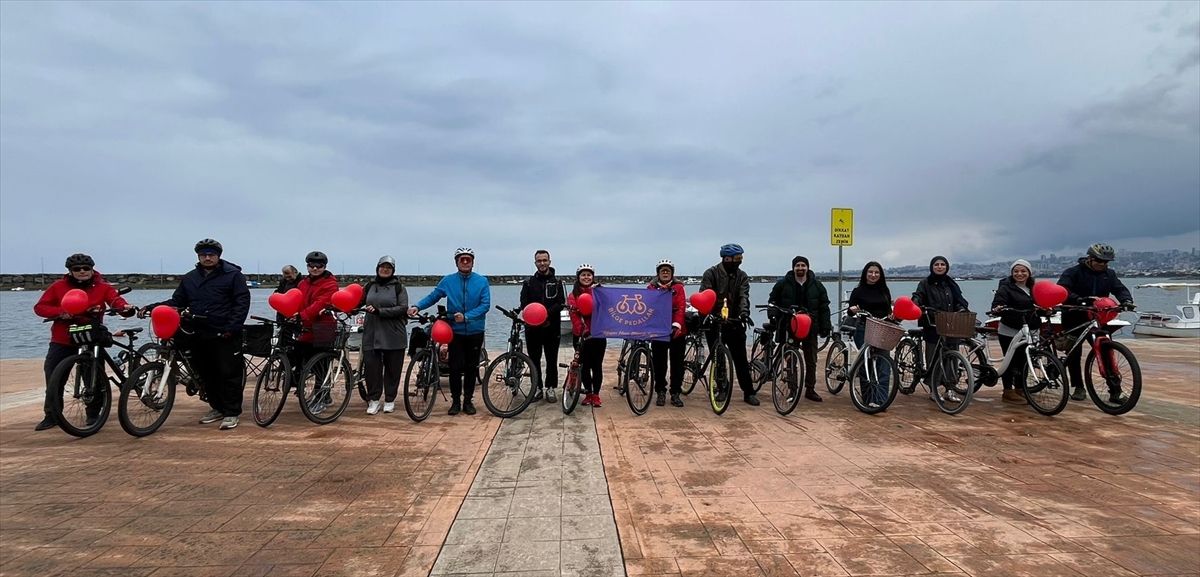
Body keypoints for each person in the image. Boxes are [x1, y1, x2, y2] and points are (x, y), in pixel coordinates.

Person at [149, 239, 251, 430]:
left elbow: (242, 303)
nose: (207, 257)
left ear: (218, 256)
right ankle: (217, 407)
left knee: (228, 373)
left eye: (211, 254)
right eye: (203, 254)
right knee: (206, 374)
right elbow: (177, 300)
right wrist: (154, 307)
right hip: (198, 332)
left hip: (224, 332)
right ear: (198, 256)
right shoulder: (190, 278)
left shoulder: (233, 275)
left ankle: (231, 412)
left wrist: (232, 327)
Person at [32, 254, 135, 431]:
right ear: (70, 272)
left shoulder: (102, 287)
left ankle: (94, 413)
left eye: (86, 268)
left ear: (92, 269)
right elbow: (40, 307)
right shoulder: (58, 286)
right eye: (77, 269)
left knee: (93, 377)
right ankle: (52, 415)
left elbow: (115, 301)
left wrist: (125, 309)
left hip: (91, 337)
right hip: (63, 339)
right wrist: (61, 312)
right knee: (53, 375)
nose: (82, 272)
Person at [409, 248, 490, 416]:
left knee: (470, 368)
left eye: (468, 259)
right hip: (456, 332)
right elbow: (433, 296)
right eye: (462, 259)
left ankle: (468, 401)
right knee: (454, 367)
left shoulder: (482, 281)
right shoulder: (448, 281)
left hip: (475, 331)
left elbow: (485, 305)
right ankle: (455, 401)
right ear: (457, 262)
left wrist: (467, 317)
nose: (465, 262)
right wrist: (417, 306)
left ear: (473, 262)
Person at [1056, 243, 1134, 402]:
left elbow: (1119, 289)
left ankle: (1115, 391)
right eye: (1099, 261)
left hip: (1097, 317)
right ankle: (1078, 387)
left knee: (1105, 350)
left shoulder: (1109, 274)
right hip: (1074, 316)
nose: (1103, 264)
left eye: (1106, 262)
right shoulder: (1073, 272)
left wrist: (1126, 300)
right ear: (1090, 258)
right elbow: (1062, 290)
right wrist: (1078, 299)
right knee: (1074, 353)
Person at [767, 256, 832, 402]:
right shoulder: (782, 284)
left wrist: (825, 326)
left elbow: (824, 307)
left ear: (808, 267)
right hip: (789, 327)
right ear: (793, 267)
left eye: (803, 265)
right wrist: (773, 317)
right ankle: (792, 390)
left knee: (811, 360)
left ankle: (810, 389)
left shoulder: (817, 285)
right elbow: (772, 301)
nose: (800, 268)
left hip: (811, 327)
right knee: (790, 360)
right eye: (798, 265)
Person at [700, 244, 758, 405]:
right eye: (737, 258)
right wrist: (711, 314)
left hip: (734, 321)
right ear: (727, 259)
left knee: (741, 359)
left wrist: (744, 313)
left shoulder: (742, 276)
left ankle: (748, 392)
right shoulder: (711, 274)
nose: (739, 261)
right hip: (714, 322)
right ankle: (722, 388)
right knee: (718, 358)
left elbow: (743, 296)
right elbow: (706, 294)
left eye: (741, 258)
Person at [911, 256, 970, 401]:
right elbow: (918, 296)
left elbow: (959, 300)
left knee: (952, 358)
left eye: (943, 264)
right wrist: (916, 304)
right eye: (936, 264)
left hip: (951, 324)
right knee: (933, 357)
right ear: (932, 267)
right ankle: (933, 388)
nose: (939, 267)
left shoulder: (951, 284)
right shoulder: (925, 283)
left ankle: (950, 388)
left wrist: (961, 308)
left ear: (947, 267)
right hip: (932, 324)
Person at [359, 256, 408, 415]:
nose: (385, 270)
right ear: (377, 268)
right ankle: (373, 399)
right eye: (382, 267)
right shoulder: (369, 286)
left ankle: (390, 399)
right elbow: (357, 302)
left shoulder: (399, 287)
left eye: (389, 267)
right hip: (372, 333)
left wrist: (380, 311)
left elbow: (402, 308)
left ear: (393, 270)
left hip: (393, 333)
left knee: (393, 368)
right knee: (371, 368)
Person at [989, 260, 1041, 403]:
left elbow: (1042, 302)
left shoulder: (1034, 288)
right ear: (1012, 273)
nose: (1019, 274)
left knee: (1025, 360)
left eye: (1023, 271)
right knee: (1010, 361)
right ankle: (1007, 391)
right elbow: (997, 303)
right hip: (1009, 330)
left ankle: (1020, 388)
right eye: (1016, 271)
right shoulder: (1005, 288)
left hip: (1029, 329)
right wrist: (999, 308)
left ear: (1029, 273)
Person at [519, 249, 565, 403]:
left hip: (552, 327)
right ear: (535, 263)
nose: (542, 263)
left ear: (549, 262)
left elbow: (560, 303)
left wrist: (545, 314)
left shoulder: (557, 282)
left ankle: (550, 387)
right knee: (534, 360)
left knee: (552, 359)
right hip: (532, 328)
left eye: (545, 260)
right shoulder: (528, 283)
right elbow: (524, 304)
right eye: (539, 261)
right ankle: (536, 388)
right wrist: (534, 316)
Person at [847, 260, 893, 393]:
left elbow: (888, 310)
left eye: (876, 272)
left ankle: (881, 399)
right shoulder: (858, 291)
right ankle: (867, 398)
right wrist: (853, 309)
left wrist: (891, 316)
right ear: (865, 274)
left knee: (884, 365)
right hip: (864, 328)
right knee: (866, 364)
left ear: (881, 275)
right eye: (871, 272)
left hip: (882, 329)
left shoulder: (884, 290)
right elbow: (850, 311)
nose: (873, 275)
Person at [648, 259, 687, 407]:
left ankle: (675, 393)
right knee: (659, 364)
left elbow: (681, 307)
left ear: (672, 273)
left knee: (677, 364)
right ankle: (661, 392)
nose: (665, 273)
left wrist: (677, 325)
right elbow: (648, 308)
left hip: (677, 330)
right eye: (662, 270)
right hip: (658, 331)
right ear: (658, 273)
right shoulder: (651, 288)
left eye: (668, 271)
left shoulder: (678, 287)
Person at [567, 264, 606, 407]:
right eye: (583, 275)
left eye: (589, 275)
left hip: (598, 335)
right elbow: (574, 315)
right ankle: (588, 393)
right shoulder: (572, 295)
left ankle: (596, 395)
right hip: (581, 336)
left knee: (597, 366)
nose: (586, 277)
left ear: (593, 277)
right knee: (583, 366)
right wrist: (581, 329)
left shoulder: (599, 292)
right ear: (578, 277)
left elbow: (607, 310)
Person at [293, 251, 338, 370]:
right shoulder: (302, 283)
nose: (315, 268)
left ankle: (321, 388)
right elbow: (297, 301)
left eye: (319, 266)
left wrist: (301, 315)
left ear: (324, 267)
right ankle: (298, 385)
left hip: (323, 326)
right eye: (311, 265)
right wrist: (290, 313)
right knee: (298, 355)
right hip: (306, 326)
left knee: (320, 364)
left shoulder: (330, 284)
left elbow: (320, 303)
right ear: (307, 266)